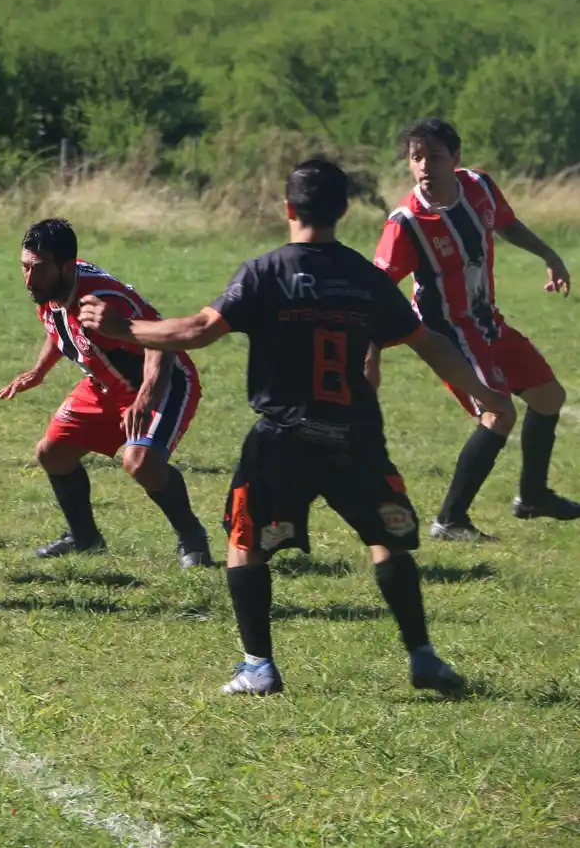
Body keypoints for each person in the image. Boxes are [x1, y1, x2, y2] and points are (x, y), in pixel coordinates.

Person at [79, 159, 513, 696]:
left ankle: (258, 666)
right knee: (387, 542)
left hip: (283, 436)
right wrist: (487, 394)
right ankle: (422, 656)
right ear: (343, 210)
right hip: (354, 431)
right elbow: (432, 344)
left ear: (287, 208)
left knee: (245, 541)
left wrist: (127, 329)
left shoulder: (265, 271)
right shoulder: (365, 277)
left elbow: (198, 331)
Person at [371, 118, 576, 542]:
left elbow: (504, 222)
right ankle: (450, 520)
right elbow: (375, 292)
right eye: (416, 158)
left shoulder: (479, 186)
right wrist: (370, 352)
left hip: (487, 321)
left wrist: (549, 253)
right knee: (499, 410)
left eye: (435, 156)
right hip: (445, 336)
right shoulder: (406, 223)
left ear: (456, 158)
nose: (425, 166)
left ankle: (533, 497)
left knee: (549, 396)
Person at [0, 219, 213, 569]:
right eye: (24, 267)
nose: (28, 279)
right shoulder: (51, 287)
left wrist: (145, 398)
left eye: (37, 269)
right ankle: (84, 538)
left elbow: (161, 341)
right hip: (104, 385)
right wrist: (39, 371)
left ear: (67, 266)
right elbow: (59, 327)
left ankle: (193, 539)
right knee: (53, 454)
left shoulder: (101, 301)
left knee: (141, 462)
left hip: (162, 383)